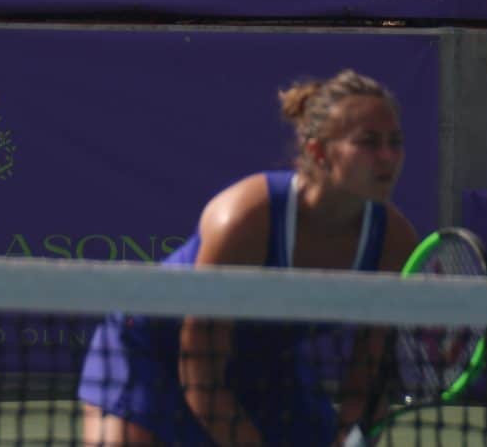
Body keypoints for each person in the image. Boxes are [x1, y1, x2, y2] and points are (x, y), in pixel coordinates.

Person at [77, 71, 418, 445]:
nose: (387, 157)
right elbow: (201, 370)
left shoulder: (393, 242)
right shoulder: (245, 218)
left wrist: (349, 436)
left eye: (395, 142)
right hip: (153, 352)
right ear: (319, 151)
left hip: (265, 368)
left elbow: (367, 376)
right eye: (368, 142)